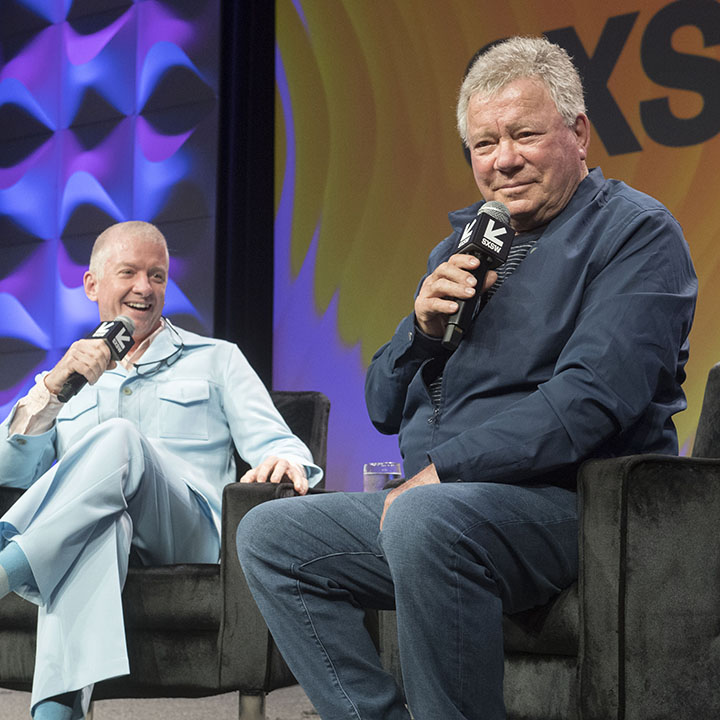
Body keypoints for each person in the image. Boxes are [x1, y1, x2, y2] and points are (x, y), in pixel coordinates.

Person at [236, 36, 697, 719]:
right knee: (270, 536)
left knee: (426, 515)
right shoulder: (462, 249)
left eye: (524, 135)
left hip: (576, 506)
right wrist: (419, 330)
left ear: (578, 132)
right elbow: (381, 405)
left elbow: (591, 400)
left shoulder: (635, 234)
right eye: (484, 144)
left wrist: (446, 470)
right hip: (448, 507)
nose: (502, 160)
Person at [0, 220, 322, 720]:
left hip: (190, 532)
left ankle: (5, 570)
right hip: (106, 527)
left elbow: (283, 447)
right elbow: (11, 471)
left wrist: (285, 462)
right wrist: (53, 387)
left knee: (120, 439)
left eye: (157, 275)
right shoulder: (69, 378)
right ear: (92, 285)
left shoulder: (217, 359)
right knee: (95, 528)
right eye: (128, 272)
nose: (144, 288)